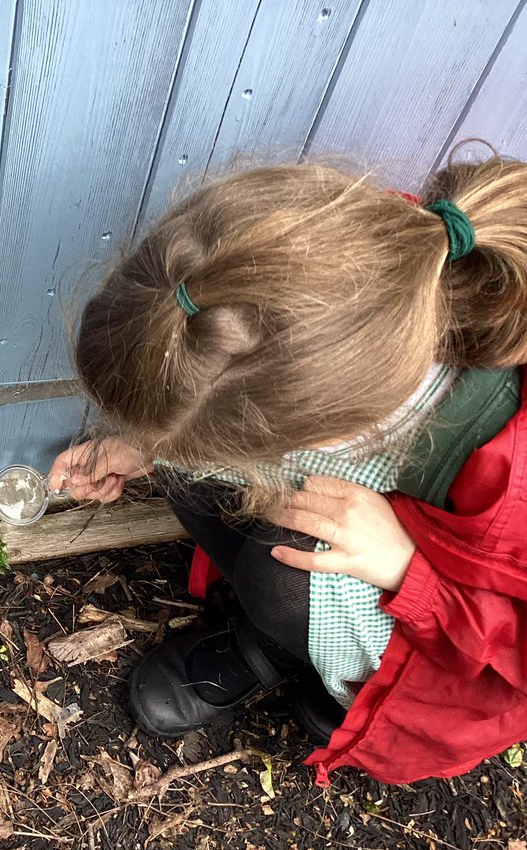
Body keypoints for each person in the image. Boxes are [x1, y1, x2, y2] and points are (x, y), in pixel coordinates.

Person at [48, 151, 527, 784]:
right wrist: (151, 445)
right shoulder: (370, 262)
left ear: (334, 419)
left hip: (460, 644)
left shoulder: (509, 484)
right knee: (193, 471)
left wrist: (408, 574)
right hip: (374, 509)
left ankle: (302, 659)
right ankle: (275, 629)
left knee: (283, 571)